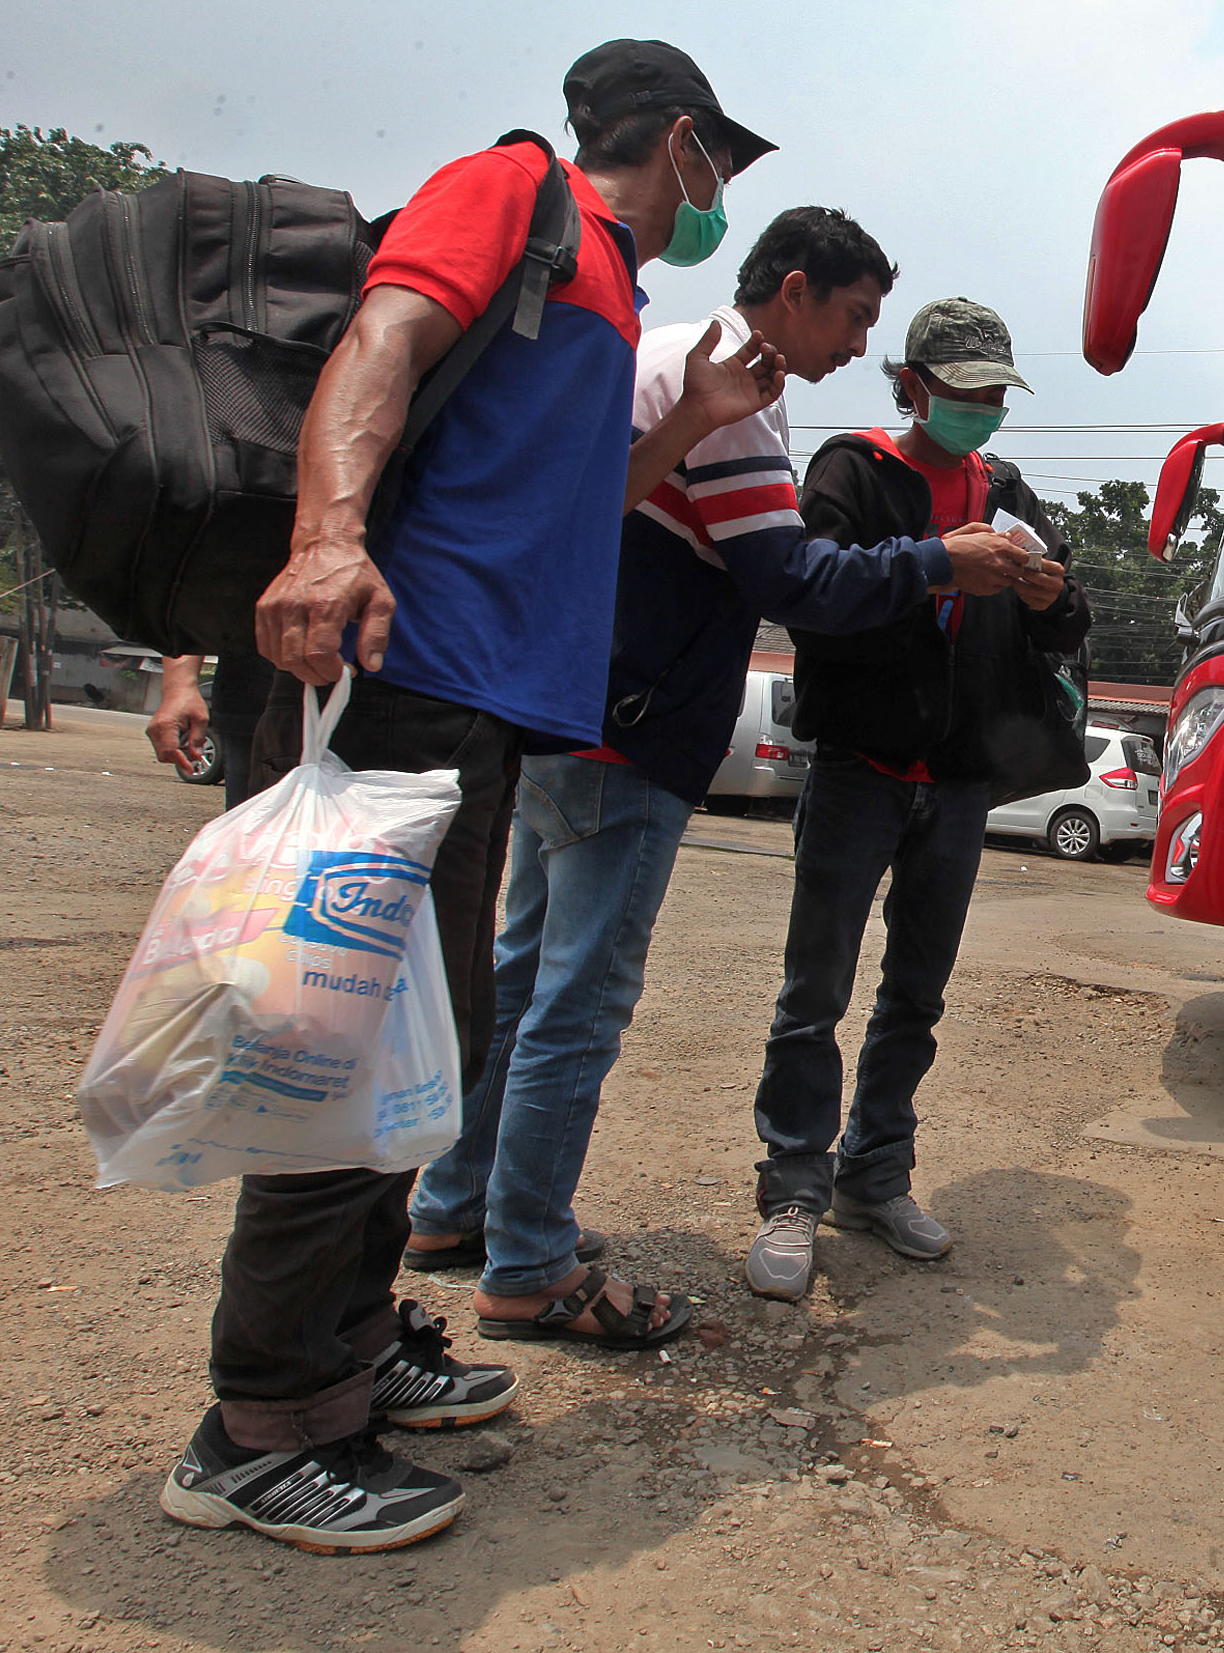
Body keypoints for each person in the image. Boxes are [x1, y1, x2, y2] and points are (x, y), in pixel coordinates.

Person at [160, 39, 784, 1555]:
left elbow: (576, 507)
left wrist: (689, 422)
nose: (720, 196)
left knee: (420, 1049)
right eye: (720, 164)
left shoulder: (609, 287)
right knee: (336, 1046)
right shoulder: (517, 192)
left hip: (486, 708)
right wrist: (327, 537)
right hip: (401, 672)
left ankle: (357, 1341)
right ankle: (262, 1425)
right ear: (682, 140)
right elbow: (380, 339)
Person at [402, 210, 1035, 1340]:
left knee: (526, 975)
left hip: (573, 708)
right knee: (583, 1003)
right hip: (638, 729)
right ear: (795, 292)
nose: (853, 343)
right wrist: (938, 561)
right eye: (853, 317)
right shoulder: (742, 394)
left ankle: (457, 1207)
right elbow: (790, 578)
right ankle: (531, 1258)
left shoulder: (667, 359)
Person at [744, 297, 1089, 1301]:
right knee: (815, 993)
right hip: (862, 770)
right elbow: (809, 595)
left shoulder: (1005, 486)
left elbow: (1068, 617)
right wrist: (938, 568)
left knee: (916, 995)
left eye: (996, 392)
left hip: (960, 782)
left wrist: (1049, 597)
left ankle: (874, 1176)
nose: (983, 407)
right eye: (965, 389)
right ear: (912, 385)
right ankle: (794, 1190)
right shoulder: (852, 471)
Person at [148, 646, 276, 805]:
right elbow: (189, 631)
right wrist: (178, 688)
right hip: (254, 706)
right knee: (252, 814)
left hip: (262, 703)